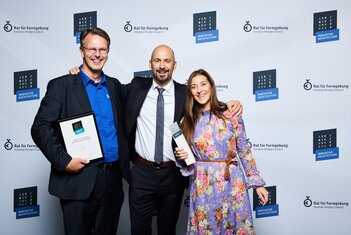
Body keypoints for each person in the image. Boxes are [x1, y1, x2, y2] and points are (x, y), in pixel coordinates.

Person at [124, 45, 243, 235]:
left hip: (172, 174)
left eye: (167, 61)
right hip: (141, 172)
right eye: (157, 60)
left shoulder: (185, 94)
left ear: (174, 65)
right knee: (138, 230)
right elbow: (107, 87)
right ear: (150, 64)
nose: (162, 66)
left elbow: (206, 102)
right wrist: (78, 74)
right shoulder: (136, 87)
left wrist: (228, 104)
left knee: (168, 229)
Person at [31, 27, 130, 235]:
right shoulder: (62, 86)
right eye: (92, 49)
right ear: (81, 51)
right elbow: (40, 128)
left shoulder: (115, 86)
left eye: (102, 50)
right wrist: (64, 161)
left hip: (112, 180)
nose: (97, 54)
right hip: (78, 180)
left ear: (108, 52)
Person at [175, 69, 269, 235]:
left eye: (203, 84)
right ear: (190, 92)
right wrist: (182, 157)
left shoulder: (231, 114)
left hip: (232, 182)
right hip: (203, 184)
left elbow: (244, 150)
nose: (199, 90)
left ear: (211, 86)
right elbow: (188, 159)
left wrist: (257, 184)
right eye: (194, 87)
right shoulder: (188, 120)